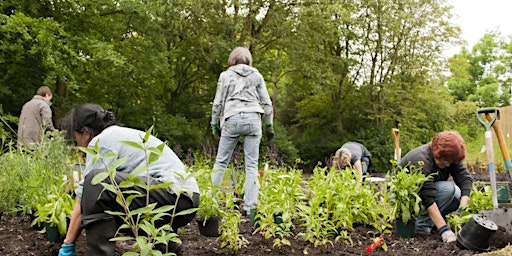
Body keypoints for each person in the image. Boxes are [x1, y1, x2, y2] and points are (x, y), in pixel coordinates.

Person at [58, 103, 200, 256]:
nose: (78, 143)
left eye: (76, 137)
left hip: (174, 196)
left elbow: (84, 195)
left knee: (96, 181)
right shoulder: (120, 134)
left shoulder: (101, 142)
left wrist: (68, 245)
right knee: (113, 199)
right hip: (184, 200)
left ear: (85, 131)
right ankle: (164, 245)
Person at [210, 47, 274, 216]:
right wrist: (269, 125)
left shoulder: (225, 75)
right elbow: (267, 103)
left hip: (232, 117)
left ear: (232, 60)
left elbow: (218, 103)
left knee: (221, 162)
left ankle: (211, 203)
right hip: (253, 119)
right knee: (252, 165)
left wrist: (214, 123)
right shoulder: (257, 76)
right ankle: (250, 207)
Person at [398, 130, 473, 243]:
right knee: (448, 190)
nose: (448, 165)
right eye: (446, 161)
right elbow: (427, 197)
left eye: (450, 162)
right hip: (406, 198)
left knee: (458, 195)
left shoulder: (449, 156)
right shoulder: (421, 159)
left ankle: (434, 221)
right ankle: (421, 227)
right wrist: (445, 230)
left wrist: (463, 210)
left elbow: (465, 179)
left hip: (428, 194)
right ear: (438, 153)